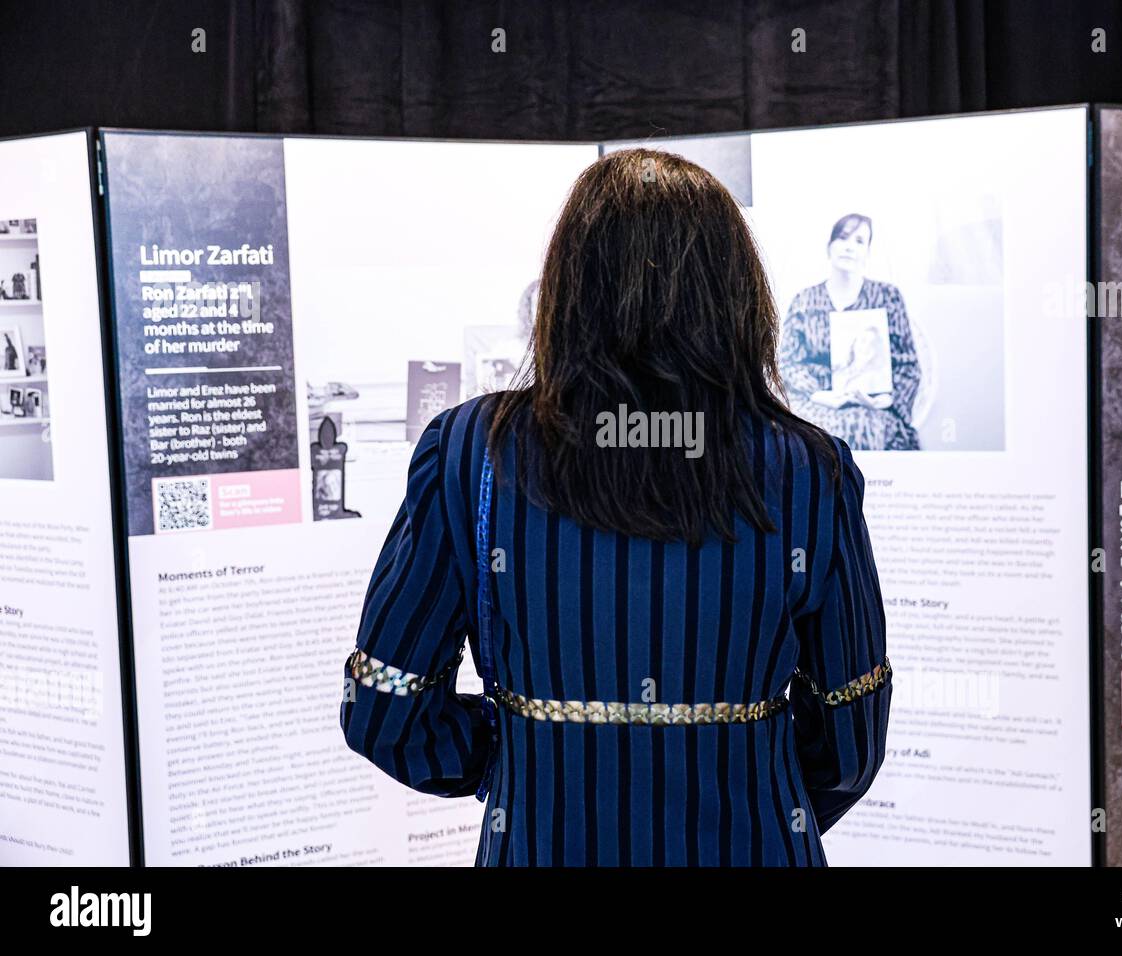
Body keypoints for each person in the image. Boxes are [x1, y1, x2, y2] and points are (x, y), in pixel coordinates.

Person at [339, 148, 892, 866]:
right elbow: (849, 739)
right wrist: (753, 786)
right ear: (737, 291)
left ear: (567, 286)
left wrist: (520, 757)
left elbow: (387, 708)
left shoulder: (472, 449)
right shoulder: (810, 468)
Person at [778, 213, 921, 450]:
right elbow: (788, 363)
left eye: (859, 241)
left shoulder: (887, 296)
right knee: (811, 437)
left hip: (873, 407)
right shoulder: (805, 300)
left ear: (867, 251)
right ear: (830, 246)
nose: (849, 247)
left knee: (873, 428)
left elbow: (907, 365)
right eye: (843, 238)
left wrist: (886, 399)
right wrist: (817, 394)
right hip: (817, 403)